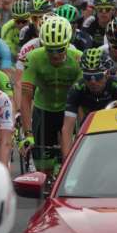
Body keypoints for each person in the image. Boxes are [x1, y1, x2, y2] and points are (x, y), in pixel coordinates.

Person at [21, 16, 82, 174]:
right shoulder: (33, 58)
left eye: (60, 49)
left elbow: (82, 100)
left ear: (68, 44)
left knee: (69, 164)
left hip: (68, 112)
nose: (55, 55)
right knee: (43, 170)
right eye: (50, 49)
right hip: (43, 111)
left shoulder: (78, 59)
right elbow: (26, 99)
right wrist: (28, 134)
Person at [62, 49, 117, 157]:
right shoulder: (77, 88)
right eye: (87, 76)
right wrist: (67, 161)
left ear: (107, 74)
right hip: (88, 128)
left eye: (98, 76)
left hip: (112, 126)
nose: (93, 82)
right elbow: (67, 129)